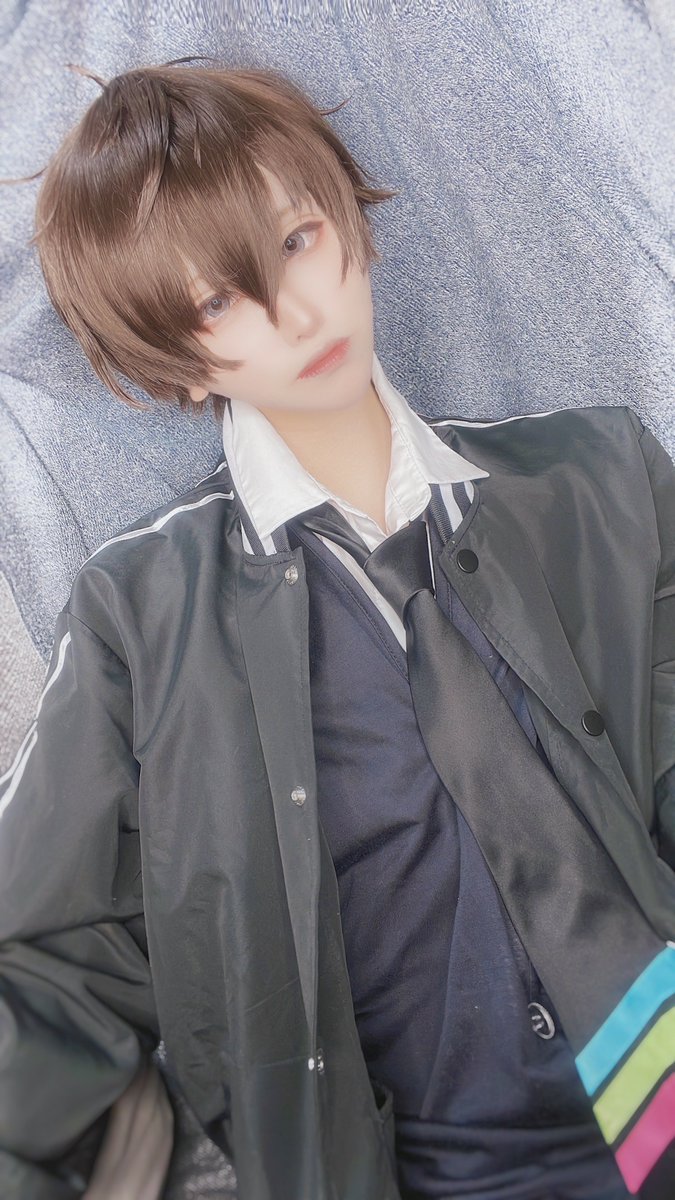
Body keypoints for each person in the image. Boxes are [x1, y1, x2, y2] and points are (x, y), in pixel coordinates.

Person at [1, 57, 674, 1200]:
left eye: (297, 241)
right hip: (439, 1173)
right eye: (218, 301)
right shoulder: (141, 618)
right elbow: (45, 966)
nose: (296, 314)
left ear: (348, 218)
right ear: (176, 360)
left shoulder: (600, 480)